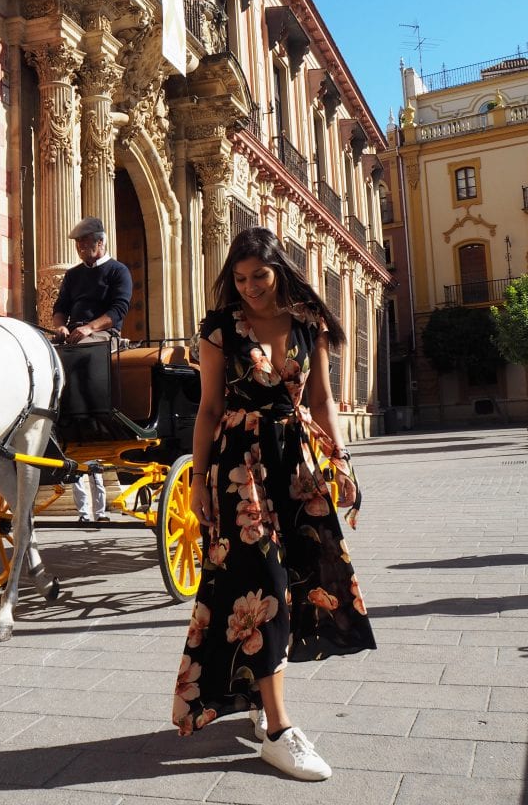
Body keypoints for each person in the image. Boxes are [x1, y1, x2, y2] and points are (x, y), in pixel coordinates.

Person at [171, 227, 375, 781]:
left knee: (298, 579)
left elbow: (324, 401)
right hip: (241, 469)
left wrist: (343, 464)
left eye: (258, 276)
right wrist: (196, 482)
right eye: (239, 280)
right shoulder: (219, 331)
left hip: (299, 466)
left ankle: (264, 704)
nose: (250, 288)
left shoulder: (308, 325)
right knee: (263, 585)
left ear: (279, 270)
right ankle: (280, 730)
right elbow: (210, 410)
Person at [52, 217, 132, 522]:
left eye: (86, 244)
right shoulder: (73, 276)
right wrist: (60, 327)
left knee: (85, 355)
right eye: (78, 245)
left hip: (104, 336)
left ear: (100, 242)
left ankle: (93, 417)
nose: (82, 249)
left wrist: (89, 327)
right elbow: (60, 306)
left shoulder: (118, 271)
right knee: (47, 354)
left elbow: (118, 310)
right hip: (73, 335)